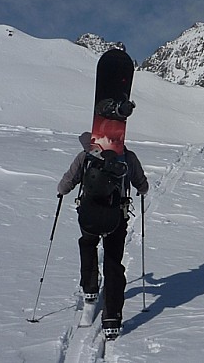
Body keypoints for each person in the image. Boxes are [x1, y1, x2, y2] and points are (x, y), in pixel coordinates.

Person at [57, 131, 149, 338]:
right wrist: (141, 190)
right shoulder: (127, 157)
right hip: (117, 216)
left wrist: (62, 191)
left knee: (88, 244)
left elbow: (67, 181)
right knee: (113, 261)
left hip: (89, 213)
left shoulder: (86, 155)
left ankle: (90, 288)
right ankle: (112, 318)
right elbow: (142, 185)